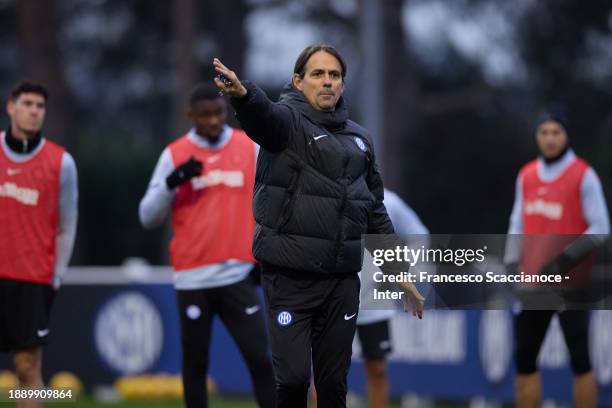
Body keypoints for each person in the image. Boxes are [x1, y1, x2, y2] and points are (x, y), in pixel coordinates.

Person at [212, 44, 425, 408]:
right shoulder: (287, 123)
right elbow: (264, 118)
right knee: (294, 381)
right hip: (289, 279)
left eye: (335, 75)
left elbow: (374, 209)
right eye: (318, 74)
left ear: (342, 84)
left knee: (333, 387)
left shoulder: (361, 139)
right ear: (298, 81)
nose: (327, 82)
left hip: (341, 282)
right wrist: (245, 96)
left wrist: (397, 270)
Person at [138, 83, 275, 408]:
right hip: (193, 278)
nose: (213, 121)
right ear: (191, 116)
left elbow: (273, 198)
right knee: (195, 365)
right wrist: (172, 183)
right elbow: (147, 216)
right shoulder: (174, 154)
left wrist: (264, 252)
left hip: (238, 274)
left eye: (218, 113)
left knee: (260, 360)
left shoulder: (248, 146)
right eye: (205, 115)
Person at [504, 106, 610, 408]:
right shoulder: (526, 175)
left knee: (579, 356)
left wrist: (567, 259)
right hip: (534, 282)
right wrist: (513, 262)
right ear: (537, 136)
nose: (550, 139)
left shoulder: (583, 175)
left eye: (556, 132)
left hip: (570, 283)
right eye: (544, 132)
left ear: (566, 135)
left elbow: (601, 227)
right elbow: (517, 222)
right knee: (525, 357)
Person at [0, 81, 78, 408]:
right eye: (28, 103)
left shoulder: (62, 162)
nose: (34, 111)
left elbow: (67, 226)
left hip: (32, 279)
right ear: (11, 107)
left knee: (27, 368)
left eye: (40, 106)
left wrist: (56, 276)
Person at [356, 189, 429, 408]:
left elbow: (419, 235)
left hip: (372, 300)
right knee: (325, 368)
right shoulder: (328, 192)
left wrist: (405, 274)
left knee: (377, 368)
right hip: (332, 294)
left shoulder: (389, 201)